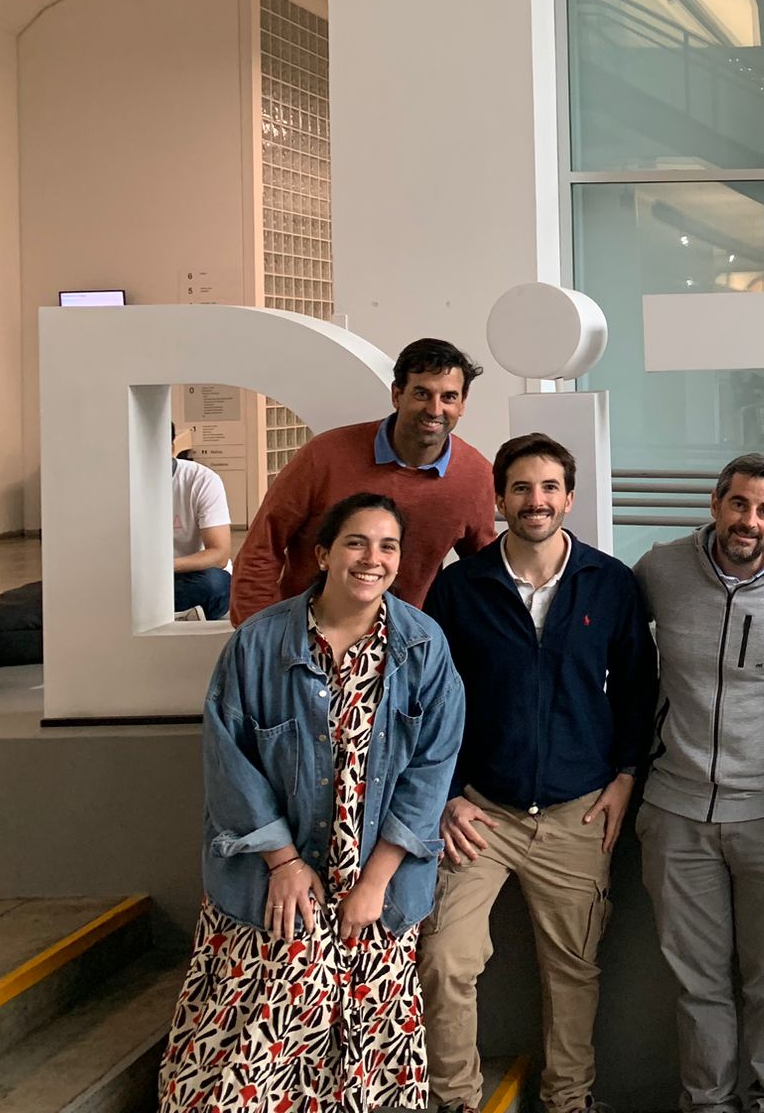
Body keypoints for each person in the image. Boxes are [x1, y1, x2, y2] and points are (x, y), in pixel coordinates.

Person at [157, 492, 465, 1113]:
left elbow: (431, 771)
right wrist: (285, 864)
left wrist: (374, 884)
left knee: (361, 1062)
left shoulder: (424, 646)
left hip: (375, 886)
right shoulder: (258, 644)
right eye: (356, 543)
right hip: (272, 880)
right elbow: (228, 762)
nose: (372, 559)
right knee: (247, 1056)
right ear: (323, 554)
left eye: (387, 546)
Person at [419, 433, 656, 1113]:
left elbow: (638, 688)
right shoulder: (460, 588)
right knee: (445, 960)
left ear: (569, 497)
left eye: (549, 487)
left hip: (577, 811)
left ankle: (568, 1100)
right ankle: (456, 1100)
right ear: (499, 499)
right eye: (521, 488)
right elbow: (431, 701)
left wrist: (626, 776)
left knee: (573, 972)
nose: (536, 500)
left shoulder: (609, 582)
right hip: (480, 813)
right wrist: (449, 796)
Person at [632, 453, 764, 1113]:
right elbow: (611, 654)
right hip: (676, 811)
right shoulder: (661, 570)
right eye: (739, 504)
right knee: (697, 981)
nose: (749, 520)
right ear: (715, 503)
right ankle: (708, 1103)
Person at [230, 338, 496, 625]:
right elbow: (262, 548)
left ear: (462, 404)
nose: (434, 409)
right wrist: (259, 633)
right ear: (397, 395)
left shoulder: (475, 476)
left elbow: (485, 571)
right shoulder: (324, 456)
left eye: (449, 397)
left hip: (407, 638)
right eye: (422, 394)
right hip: (307, 630)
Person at [172, 440, 233, 620]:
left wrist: (164, 567)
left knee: (216, 585)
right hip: (141, 578)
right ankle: (179, 614)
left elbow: (219, 555)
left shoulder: (201, 480)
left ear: (171, 448)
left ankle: (150, 610)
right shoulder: (124, 482)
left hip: (188, 573)